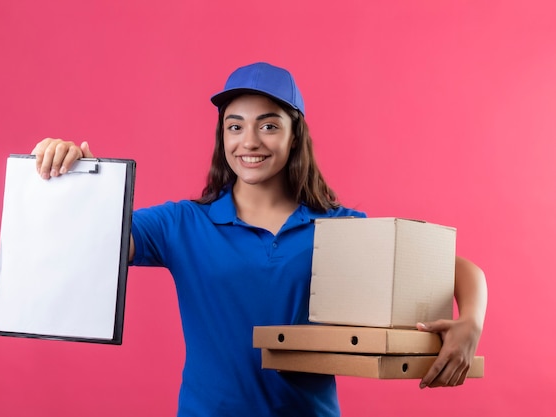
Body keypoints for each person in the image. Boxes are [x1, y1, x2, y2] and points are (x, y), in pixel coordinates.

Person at [32, 62, 488, 416]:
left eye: (269, 125)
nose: (249, 141)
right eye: (235, 126)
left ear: (295, 137)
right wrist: (79, 177)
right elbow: (93, 240)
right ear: (222, 136)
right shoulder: (182, 224)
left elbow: (456, 267)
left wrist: (471, 323)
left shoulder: (340, 230)